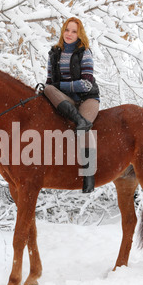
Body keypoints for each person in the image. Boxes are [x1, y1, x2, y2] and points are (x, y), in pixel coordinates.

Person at [44, 17, 100, 193]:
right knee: (46, 89)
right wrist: (50, 89)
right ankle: (78, 119)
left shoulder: (84, 53)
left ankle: (89, 174)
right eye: (67, 30)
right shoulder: (54, 53)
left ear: (79, 34)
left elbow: (86, 84)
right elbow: (49, 82)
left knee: (84, 128)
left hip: (87, 99)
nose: (69, 34)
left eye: (74, 31)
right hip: (65, 99)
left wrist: (59, 87)